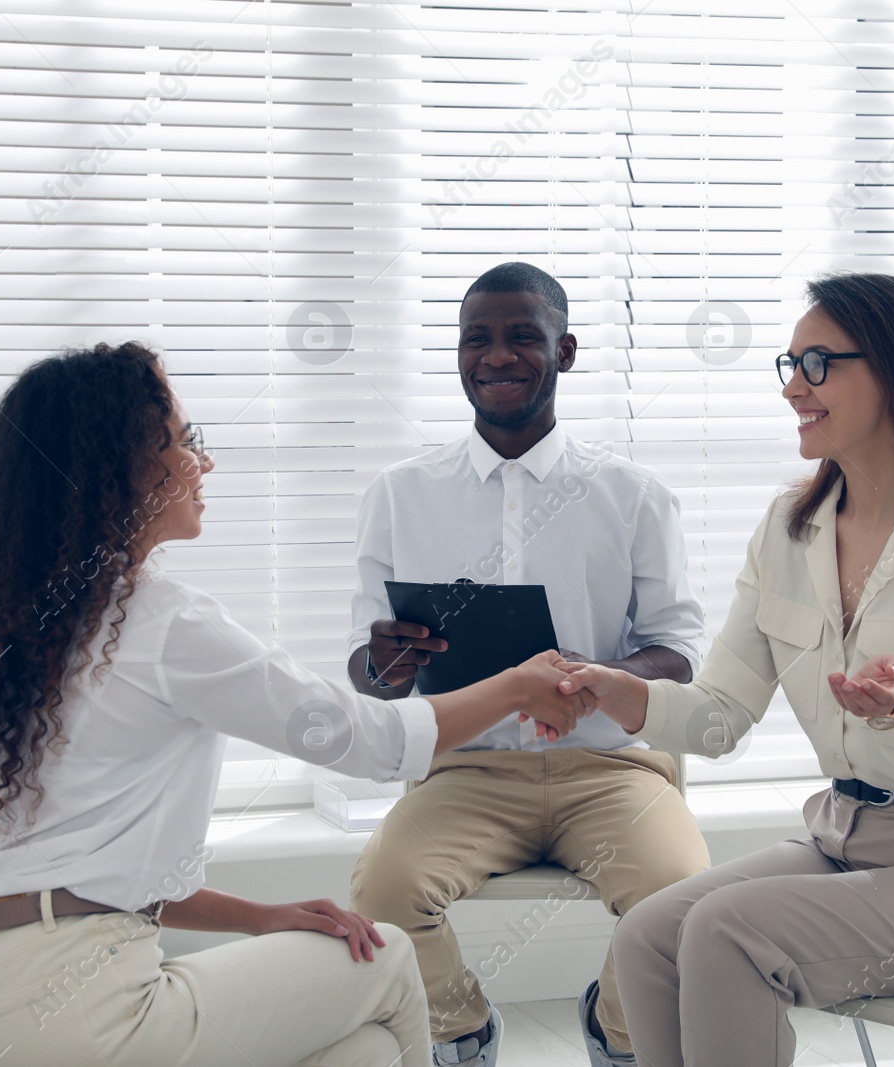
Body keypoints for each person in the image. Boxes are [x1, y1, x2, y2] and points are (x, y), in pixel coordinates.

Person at [0, 341, 588, 1067]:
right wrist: (519, 684)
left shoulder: (8, 630)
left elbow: (80, 875)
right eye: (182, 440)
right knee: (386, 957)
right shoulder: (159, 619)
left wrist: (262, 917)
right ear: (120, 468)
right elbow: (369, 741)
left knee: (361, 1049)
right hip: (76, 1012)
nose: (203, 462)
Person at [558, 273, 894, 1066]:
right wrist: (627, 695)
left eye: (819, 363)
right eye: (789, 364)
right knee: (652, 931)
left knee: (729, 931)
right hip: (846, 843)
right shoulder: (787, 531)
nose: (794, 386)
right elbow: (721, 714)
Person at [346, 262, 711, 1067]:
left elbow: (679, 651)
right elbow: (368, 677)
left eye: (521, 337)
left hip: (610, 772)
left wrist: (602, 675)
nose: (496, 355)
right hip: (466, 772)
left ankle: (617, 1031)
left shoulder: (633, 493)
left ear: (566, 350)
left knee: (682, 899)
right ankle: (462, 1032)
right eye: (476, 338)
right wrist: (385, 666)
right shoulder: (401, 494)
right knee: (383, 890)